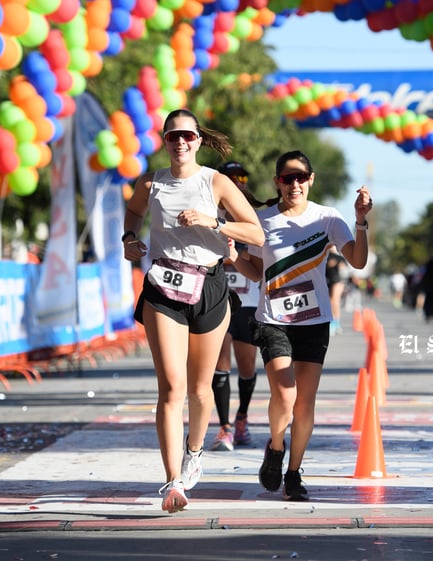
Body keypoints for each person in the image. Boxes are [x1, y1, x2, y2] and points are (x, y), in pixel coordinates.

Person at [121, 109, 264, 513]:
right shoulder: (151, 183)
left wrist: (214, 222)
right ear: (164, 141)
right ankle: (171, 481)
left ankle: (195, 451)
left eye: (187, 135)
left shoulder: (214, 182)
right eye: (172, 136)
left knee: (201, 390)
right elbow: (132, 213)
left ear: (198, 140)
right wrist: (129, 238)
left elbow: (255, 231)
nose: (179, 142)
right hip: (163, 287)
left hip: (210, 285)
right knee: (171, 386)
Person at [232, 150, 372, 501]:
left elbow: (357, 260)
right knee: (284, 392)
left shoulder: (328, 218)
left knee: (305, 403)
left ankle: (293, 473)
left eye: (300, 177)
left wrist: (360, 221)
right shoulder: (260, 220)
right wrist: (232, 254)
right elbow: (253, 272)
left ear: (311, 180)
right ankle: (276, 447)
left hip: (314, 321)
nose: (294, 184)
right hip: (272, 320)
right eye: (286, 178)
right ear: (277, 182)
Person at [208, 161, 268, 451]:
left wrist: (236, 256)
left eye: (242, 177)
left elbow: (261, 263)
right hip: (217, 299)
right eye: (230, 178)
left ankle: (241, 417)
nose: (236, 182)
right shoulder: (209, 214)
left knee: (246, 367)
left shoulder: (255, 218)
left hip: (249, 302)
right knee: (220, 363)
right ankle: (224, 427)